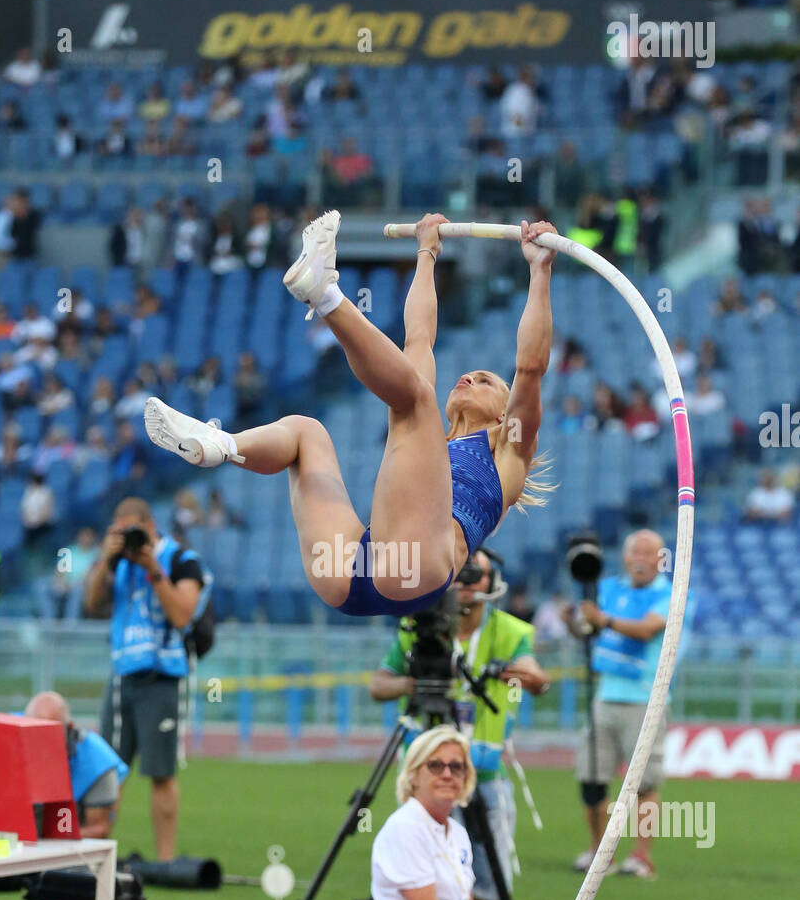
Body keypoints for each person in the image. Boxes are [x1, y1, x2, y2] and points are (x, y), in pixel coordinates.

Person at [144, 210, 557, 619]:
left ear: (505, 415)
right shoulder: (427, 436)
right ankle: (223, 445)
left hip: (415, 566)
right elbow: (419, 334)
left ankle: (326, 295)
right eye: (469, 374)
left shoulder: (508, 449)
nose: (468, 376)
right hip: (349, 568)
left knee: (417, 397)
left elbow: (531, 368)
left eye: (484, 380)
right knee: (307, 434)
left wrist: (539, 273)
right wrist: (426, 253)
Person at [370, 549, 549, 900]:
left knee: (488, 883)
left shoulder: (510, 632)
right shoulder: (418, 626)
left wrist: (519, 674)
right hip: (430, 775)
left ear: (492, 581)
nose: (467, 583)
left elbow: (536, 677)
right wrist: (416, 683)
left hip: (484, 772)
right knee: (423, 871)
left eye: (476, 574)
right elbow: (378, 685)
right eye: (459, 573)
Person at [83, 497, 208, 863]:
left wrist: (152, 567)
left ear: (150, 528)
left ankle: (165, 862)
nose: (129, 541)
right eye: (120, 534)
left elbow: (184, 615)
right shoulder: (115, 563)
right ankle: (96, 854)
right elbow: (91, 605)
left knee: (161, 773)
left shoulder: (181, 559)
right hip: (121, 677)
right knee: (107, 771)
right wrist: (107, 559)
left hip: (162, 678)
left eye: (133, 533)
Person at [565, 529, 671, 880]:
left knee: (644, 782)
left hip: (646, 698)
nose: (641, 558)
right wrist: (575, 621)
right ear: (624, 557)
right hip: (604, 694)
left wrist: (603, 620)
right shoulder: (608, 588)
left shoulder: (668, 593)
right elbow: (588, 631)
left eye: (649, 552)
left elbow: (647, 630)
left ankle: (642, 857)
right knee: (592, 778)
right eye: (635, 551)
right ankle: (600, 852)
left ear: (661, 559)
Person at [370, 726, 482, 900]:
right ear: (413, 775)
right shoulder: (405, 827)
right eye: (435, 766)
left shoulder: (457, 832)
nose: (447, 774)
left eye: (456, 766)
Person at [24, 691, 128, 839]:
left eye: (50, 732)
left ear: (69, 728)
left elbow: (99, 828)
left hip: (66, 840)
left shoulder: (96, 760)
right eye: (34, 732)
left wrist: (52, 840)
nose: (41, 743)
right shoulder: (9, 736)